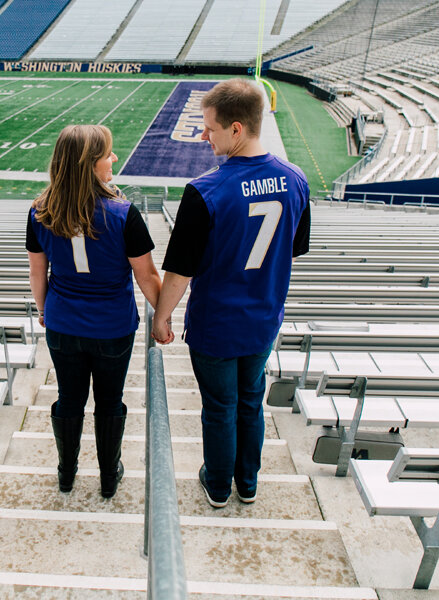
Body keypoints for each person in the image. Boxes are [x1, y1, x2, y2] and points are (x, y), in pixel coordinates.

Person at [151, 79, 311, 508]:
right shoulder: (296, 179)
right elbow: (292, 249)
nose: (205, 136)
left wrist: (161, 317)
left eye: (211, 129)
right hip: (262, 320)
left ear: (237, 129)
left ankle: (219, 485)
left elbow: (180, 272)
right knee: (250, 403)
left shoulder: (205, 190)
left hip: (217, 324)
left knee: (220, 407)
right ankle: (249, 483)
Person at [27, 124, 163, 499]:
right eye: (107, 153)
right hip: (112, 326)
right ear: (89, 164)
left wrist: (45, 311)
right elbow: (148, 276)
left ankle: (66, 474)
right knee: (109, 400)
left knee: (69, 397)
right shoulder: (123, 213)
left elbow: (38, 272)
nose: (114, 159)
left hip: (63, 321)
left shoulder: (40, 211)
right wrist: (163, 316)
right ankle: (107, 476)